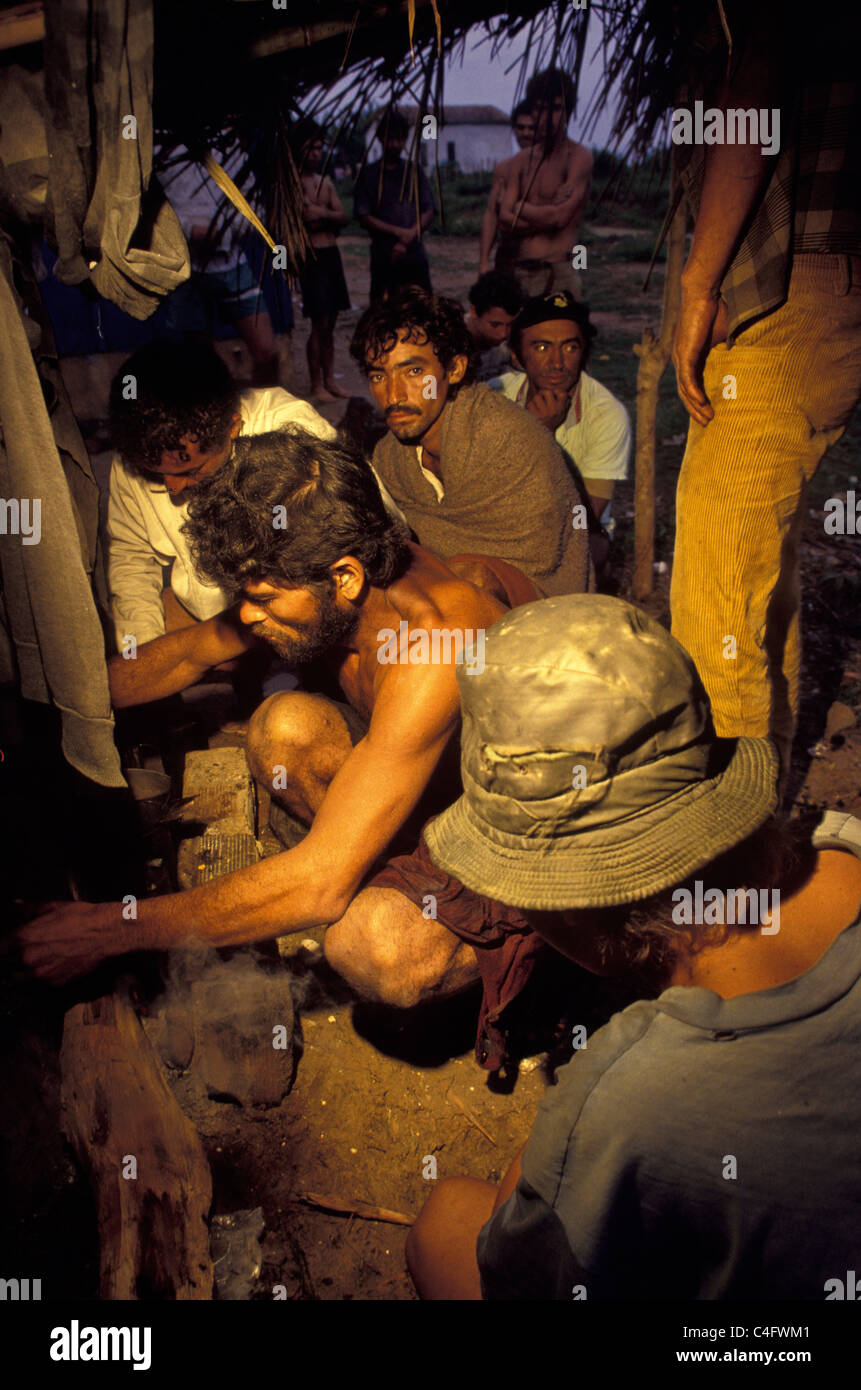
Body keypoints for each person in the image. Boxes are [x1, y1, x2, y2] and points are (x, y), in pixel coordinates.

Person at [14, 430, 543, 1064]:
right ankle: (372, 862)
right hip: (435, 784)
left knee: (372, 944)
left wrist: (104, 931)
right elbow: (186, 653)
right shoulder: (332, 564)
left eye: (263, 600)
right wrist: (45, 707)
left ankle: (515, 970)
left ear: (344, 578)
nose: (250, 617)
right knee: (281, 731)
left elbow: (318, 887)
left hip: (523, 842)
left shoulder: (435, 647)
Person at [405, 594, 861, 1300]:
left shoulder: (625, 1103)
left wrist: (568, 1137)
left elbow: (521, 1274)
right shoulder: (840, 840)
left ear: (573, 907)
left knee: (445, 1224)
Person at [669, 6, 861, 793]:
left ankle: (727, 842)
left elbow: (752, 96)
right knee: (755, 564)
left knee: (714, 590)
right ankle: (765, 787)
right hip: (829, 288)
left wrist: (697, 282)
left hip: (788, 288)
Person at [350, 287, 591, 599]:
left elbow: (541, 558)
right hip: (442, 602)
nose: (394, 395)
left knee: (468, 581)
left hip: (541, 605)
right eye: (378, 376)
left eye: (413, 371)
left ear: (454, 369)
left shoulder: (505, 438)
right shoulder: (389, 456)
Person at [106, 340, 336, 652]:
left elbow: (355, 549)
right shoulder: (137, 455)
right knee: (128, 670)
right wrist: (143, 656)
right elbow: (131, 561)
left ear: (233, 428)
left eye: (189, 471)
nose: (171, 488)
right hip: (216, 617)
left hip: (303, 614)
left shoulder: (290, 430)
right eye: (155, 474)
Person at [494, 291, 630, 547]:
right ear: (516, 355)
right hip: (499, 524)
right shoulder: (495, 396)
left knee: (595, 547)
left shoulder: (606, 413)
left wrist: (540, 435)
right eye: (542, 347)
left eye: (570, 347)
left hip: (570, 534)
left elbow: (584, 519)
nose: (557, 363)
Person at [157, 145, 281, 387]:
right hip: (182, 266)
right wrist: (192, 231)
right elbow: (148, 212)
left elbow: (255, 210)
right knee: (199, 360)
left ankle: (268, 416)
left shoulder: (230, 147)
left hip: (230, 261)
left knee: (267, 353)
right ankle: (212, 419)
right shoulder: (159, 149)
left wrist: (221, 231)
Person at [496, 68, 593, 300]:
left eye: (556, 108)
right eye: (540, 108)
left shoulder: (578, 157)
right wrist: (548, 213)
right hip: (520, 271)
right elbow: (504, 220)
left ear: (568, 110)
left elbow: (561, 218)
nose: (547, 117)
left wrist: (519, 206)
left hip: (559, 271)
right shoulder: (521, 161)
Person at [294, 121, 352, 402]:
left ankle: (330, 379)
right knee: (318, 323)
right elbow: (301, 220)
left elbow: (342, 216)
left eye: (319, 148)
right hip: (312, 256)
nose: (315, 153)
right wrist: (322, 214)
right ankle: (316, 383)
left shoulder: (324, 182)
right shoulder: (291, 183)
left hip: (331, 255)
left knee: (331, 323)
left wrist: (320, 212)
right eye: (310, 148)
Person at [353, 110, 436, 302]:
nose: (395, 144)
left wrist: (408, 237)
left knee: (422, 307)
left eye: (400, 139)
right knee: (383, 311)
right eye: (391, 138)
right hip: (384, 253)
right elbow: (364, 216)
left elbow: (429, 210)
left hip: (414, 252)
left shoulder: (414, 172)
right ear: (381, 139)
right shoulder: (368, 175)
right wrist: (399, 233)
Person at [478, 101, 536, 277]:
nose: (525, 133)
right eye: (520, 128)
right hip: (508, 252)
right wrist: (483, 261)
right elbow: (491, 215)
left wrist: (514, 207)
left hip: (539, 253)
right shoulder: (504, 169)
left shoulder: (553, 168)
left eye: (531, 128)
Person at [464, 271, 525, 383]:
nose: (504, 334)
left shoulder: (510, 342)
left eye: (510, 325)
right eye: (495, 325)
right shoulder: (451, 343)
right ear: (473, 311)